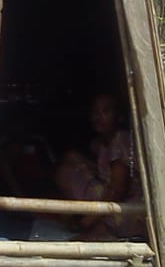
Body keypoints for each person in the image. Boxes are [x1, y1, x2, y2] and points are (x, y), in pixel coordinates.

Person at [54, 92, 145, 240]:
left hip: (127, 206)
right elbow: (101, 170)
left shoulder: (120, 141)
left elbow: (118, 190)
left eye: (106, 112)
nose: (98, 117)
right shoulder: (100, 143)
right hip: (110, 198)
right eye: (95, 112)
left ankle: (94, 224)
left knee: (94, 234)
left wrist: (86, 222)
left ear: (118, 116)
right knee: (71, 163)